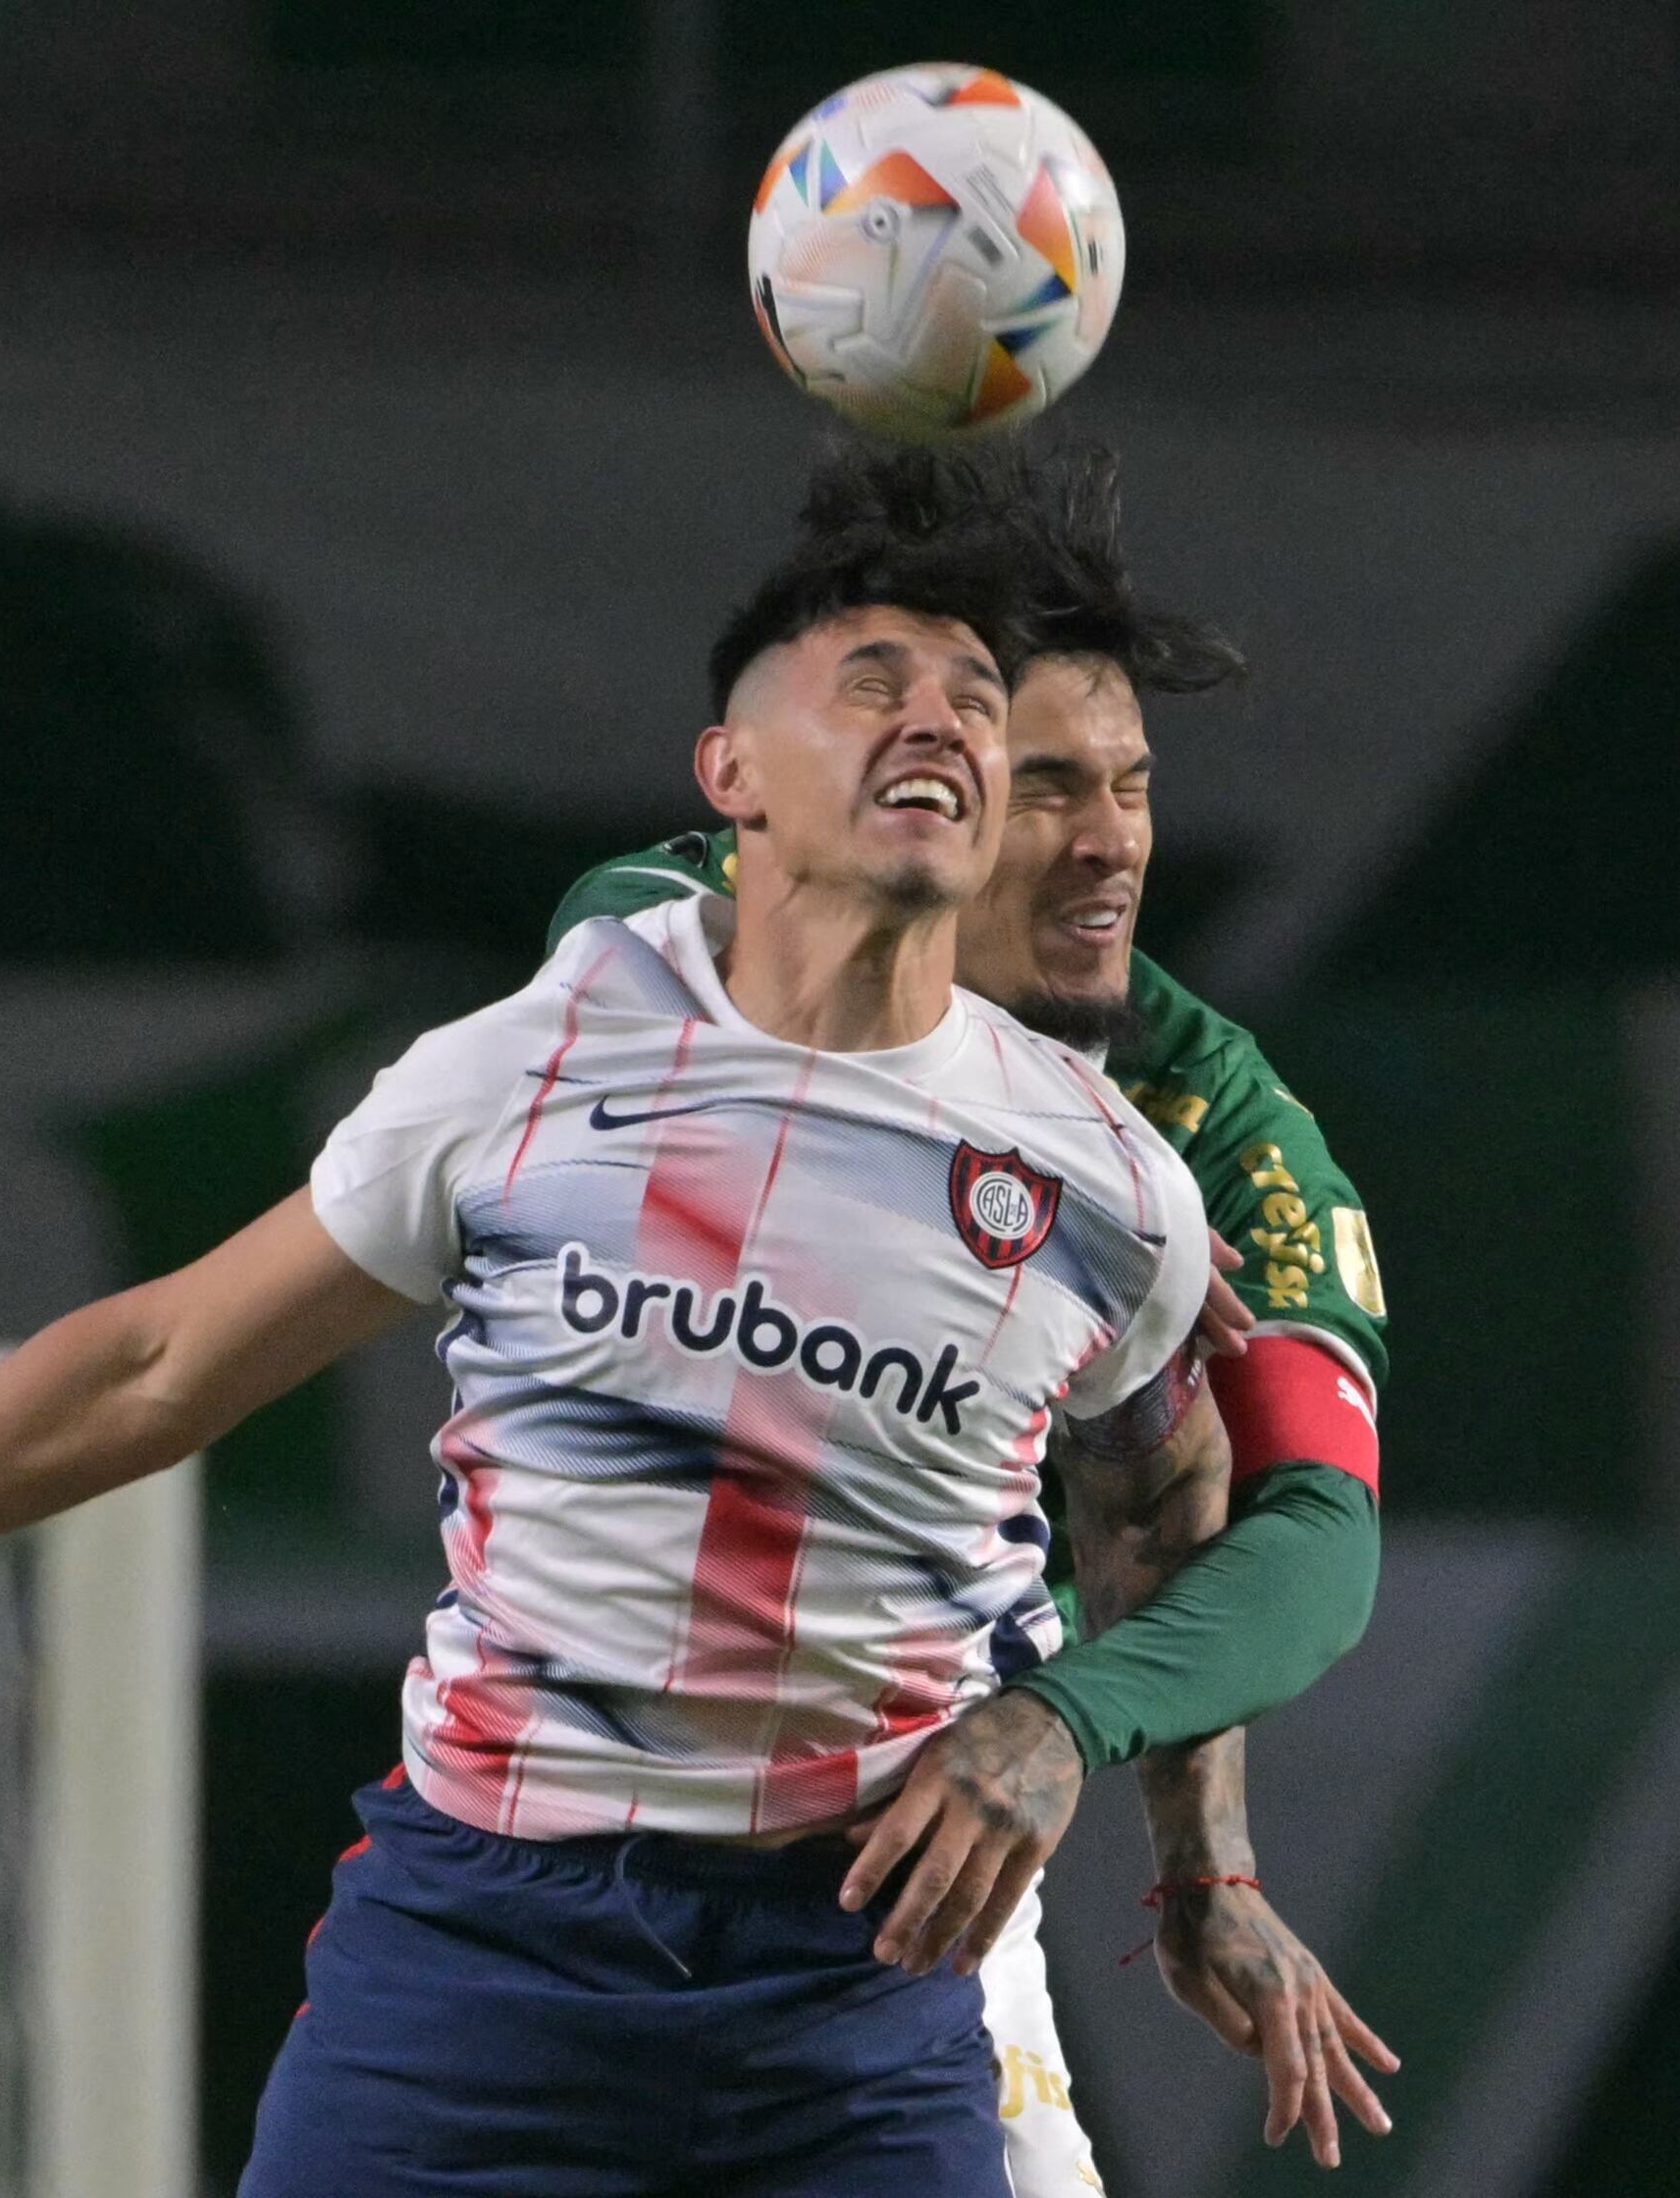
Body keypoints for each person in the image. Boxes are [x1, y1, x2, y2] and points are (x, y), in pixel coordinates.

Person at [0, 483, 1364, 2195]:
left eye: (980, 706)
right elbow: (161, 1364)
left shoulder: (1121, 1180)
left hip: (864, 1958)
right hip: (494, 1933)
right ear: (728, 774)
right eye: (875, 685)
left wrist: (1155, 1813)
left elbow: (1188, 1507)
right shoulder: (543, 1051)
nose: (945, 728)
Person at [547, 442, 1400, 2181]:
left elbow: (1308, 1531)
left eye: (1135, 788)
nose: (1111, 849)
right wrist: (999, 1152)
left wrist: (1181, 1837)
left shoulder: (1209, 1132)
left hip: (894, 1873)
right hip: (569, 1827)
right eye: (1052, 788)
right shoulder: (702, 939)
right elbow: (604, 944)